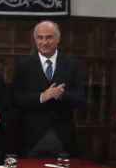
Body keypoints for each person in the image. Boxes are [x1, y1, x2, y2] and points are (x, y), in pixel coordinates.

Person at [11, 21, 86, 156]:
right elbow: (16, 99)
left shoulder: (72, 64)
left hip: (62, 137)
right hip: (31, 138)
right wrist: (42, 96)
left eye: (49, 37)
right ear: (35, 40)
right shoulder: (23, 65)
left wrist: (62, 94)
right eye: (40, 38)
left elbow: (81, 98)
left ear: (58, 39)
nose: (44, 42)